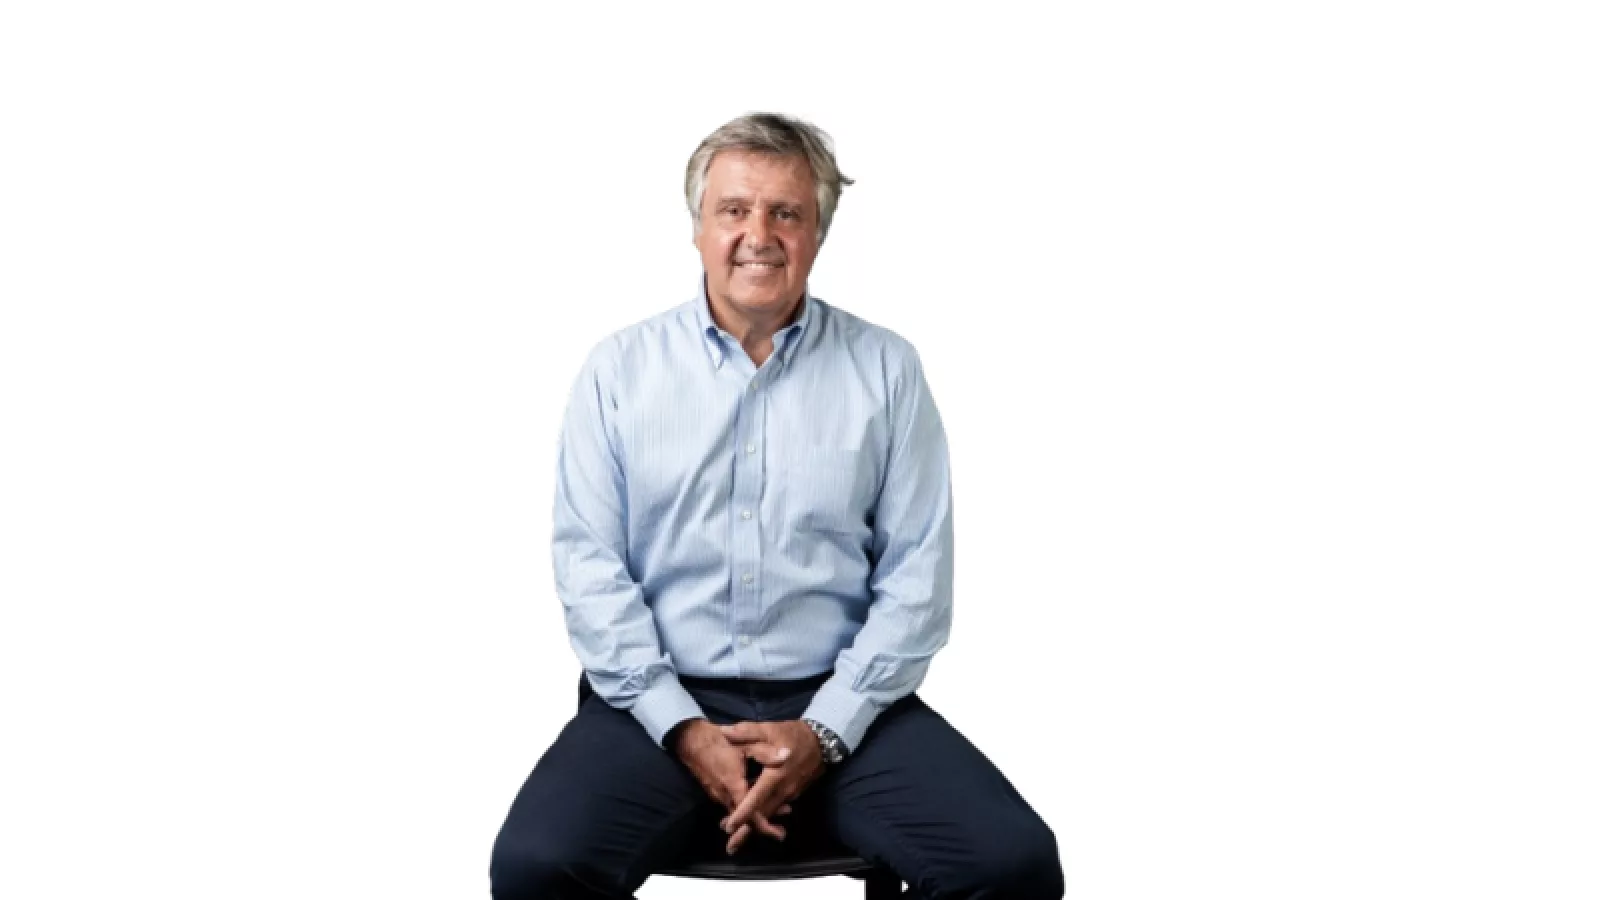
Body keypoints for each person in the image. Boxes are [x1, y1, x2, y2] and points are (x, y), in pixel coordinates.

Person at [489, 112, 1064, 899]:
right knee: (535, 867)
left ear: (817, 233)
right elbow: (589, 573)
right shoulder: (617, 372)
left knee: (1012, 865)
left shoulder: (887, 370)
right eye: (734, 209)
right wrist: (682, 726)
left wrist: (825, 731)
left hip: (848, 700)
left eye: (785, 213)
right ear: (697, 227)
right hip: (655, 703)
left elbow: (917, 581)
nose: (758, 235)